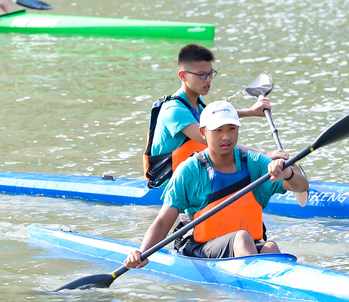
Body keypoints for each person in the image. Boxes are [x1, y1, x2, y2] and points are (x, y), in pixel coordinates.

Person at [126, 100, 308, 266]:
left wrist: (289, 173)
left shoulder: (254, 162)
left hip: (245, 247)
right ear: (203, 133)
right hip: (200, 247)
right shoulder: (189, 171)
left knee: (271, 248)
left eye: (231, 129)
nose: (226, 137)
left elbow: (302, 187)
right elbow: (162, 222)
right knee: (243, 238)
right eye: (218, 130)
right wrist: (142, 253)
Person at [144, 43, 287, 188]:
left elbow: (215, 118)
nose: (208, 79)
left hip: (193, 178)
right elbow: (213, 141)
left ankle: (286, 181)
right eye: (201, 75)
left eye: (210, 73)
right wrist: (264, 154)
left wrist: (250, 111)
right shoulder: (174, 110)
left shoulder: (196, 103)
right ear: (183, 76)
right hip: (170, 185)